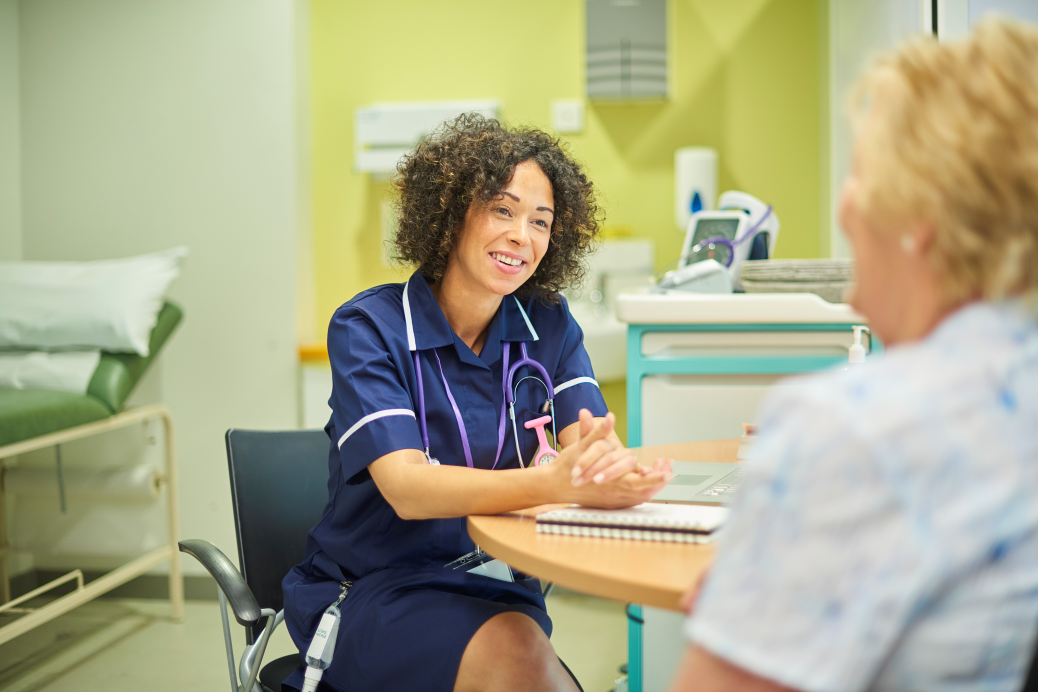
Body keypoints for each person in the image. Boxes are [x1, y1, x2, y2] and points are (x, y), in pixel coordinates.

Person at [669, 18, 1038, 692]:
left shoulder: (850, 430)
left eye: (861, 174)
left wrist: (753, 610)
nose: (844, 209)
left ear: (920, 218)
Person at [281, 114, 672, 692]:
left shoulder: (548, 323)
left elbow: (591, 444)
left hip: (501, 584)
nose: (523, 236)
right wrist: (559, 483)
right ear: (450, 213)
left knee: (527, 662)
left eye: (541, 222)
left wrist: (608, 466)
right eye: (503, 210)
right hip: (373, 591)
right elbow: (409, 490)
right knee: (526, 668)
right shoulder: (371, 327)